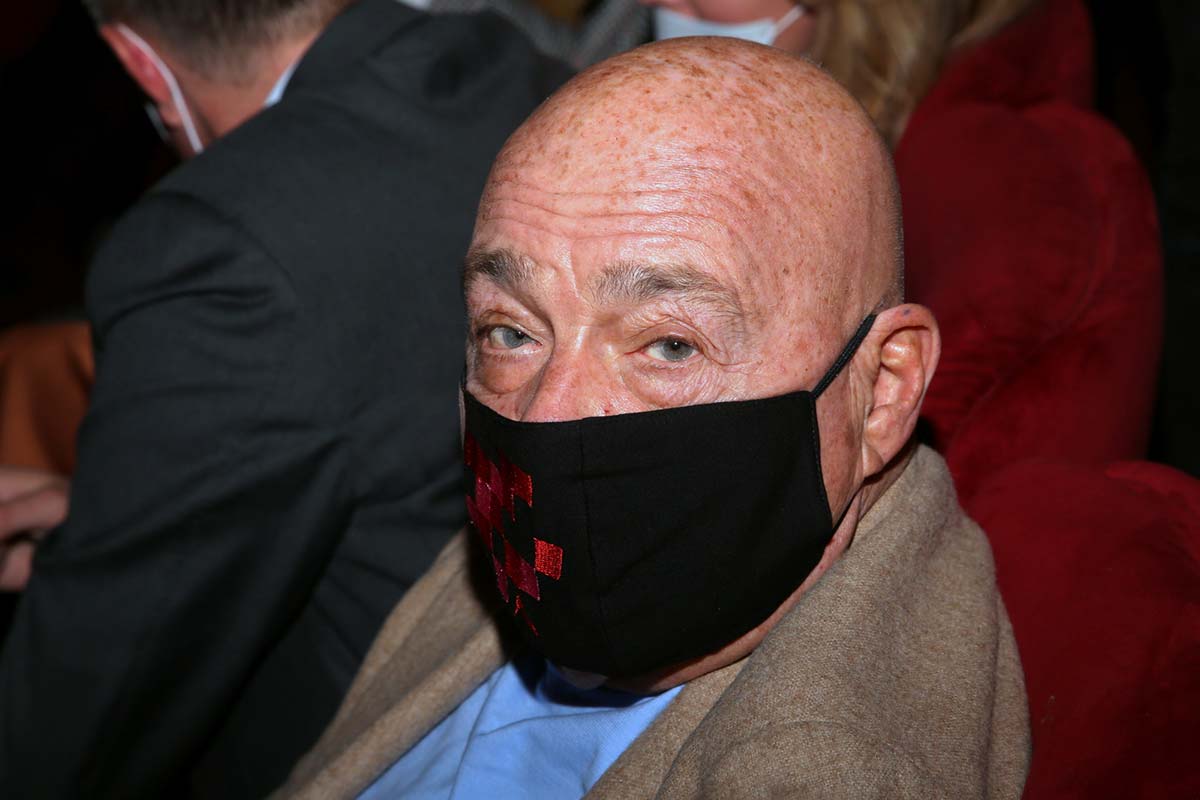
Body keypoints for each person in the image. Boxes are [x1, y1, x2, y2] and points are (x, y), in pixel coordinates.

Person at [279, 38, 1031, 798]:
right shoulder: (515, 559)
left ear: (885, 390)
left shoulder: (827, 771)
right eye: (510, 331)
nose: (548, 413)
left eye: (671, 345)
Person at [0, 0, 569, 796]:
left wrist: (107, 558)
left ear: (140, 64)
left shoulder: (217, 245)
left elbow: (74, 722)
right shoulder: (506, 63)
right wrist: (115, 515)